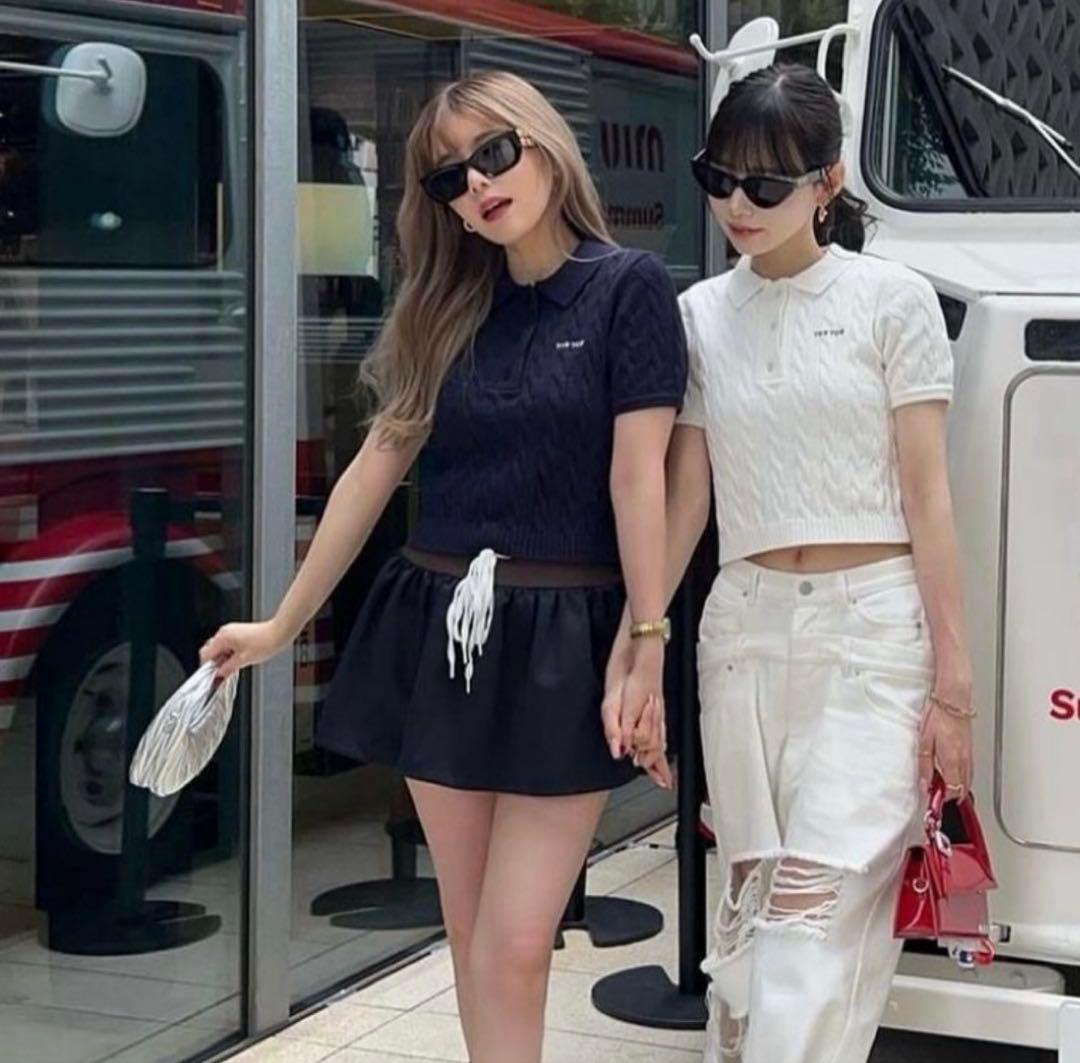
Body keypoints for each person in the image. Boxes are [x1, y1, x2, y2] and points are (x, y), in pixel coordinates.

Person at [201, 70, 684, 1063]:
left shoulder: (628, 286)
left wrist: (646, 639)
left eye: (493, 154)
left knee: (516, 940)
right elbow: (375, 468)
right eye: (448, 178)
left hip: (564, 636)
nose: (478, 186)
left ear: (543, 143)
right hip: (443, 629)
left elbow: (642, 477)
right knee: (468, 933)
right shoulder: (446, 305)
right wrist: (282, 623)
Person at [605, 64, 974, 1062]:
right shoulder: (697, 314)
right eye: (718, 178)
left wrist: (955, 688)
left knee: (812, 918)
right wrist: (641, 645)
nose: (737, 204)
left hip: (872, 629)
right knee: (749, 921)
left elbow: (929, 497)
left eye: (765, 185)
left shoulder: (891, 300)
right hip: (743, 630)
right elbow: (686, 499)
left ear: (828, 183)